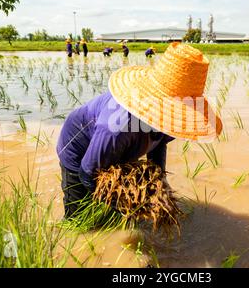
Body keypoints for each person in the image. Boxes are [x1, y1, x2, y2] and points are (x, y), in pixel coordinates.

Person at [57, 42, 222, 218]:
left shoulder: (169, 123)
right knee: (80, 216)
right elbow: (87, 173)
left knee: (113, 211)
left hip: (117, 145)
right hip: (78, 149)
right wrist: (125, 206)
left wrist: (160, 180)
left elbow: (159, 145)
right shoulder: (116, 127)